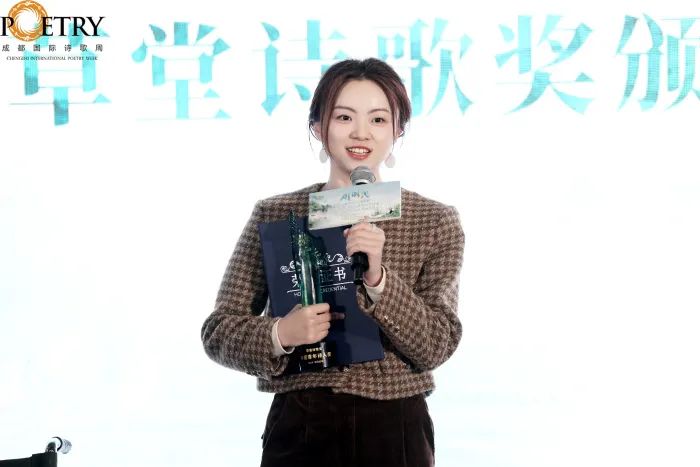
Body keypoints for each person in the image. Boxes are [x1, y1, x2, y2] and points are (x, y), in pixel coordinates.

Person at [201, 57, 465, 467]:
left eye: (378, 119)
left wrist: (379, 281)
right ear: (318, 128)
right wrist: (281, 333)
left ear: (397, 130)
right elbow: (218, 332)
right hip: (302, 421)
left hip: (393, 424)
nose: (361, 132)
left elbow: (437, 343)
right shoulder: (277, 214)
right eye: (344, 117)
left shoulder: (433, 220)